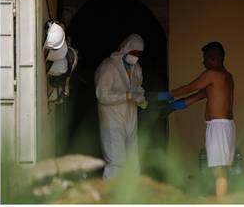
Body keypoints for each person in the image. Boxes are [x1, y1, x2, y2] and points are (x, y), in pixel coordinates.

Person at [161, 42, 235, 198]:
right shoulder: (226, 77)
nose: (203, 62)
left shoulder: (212, 74)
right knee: (221, 169)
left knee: (219, 170)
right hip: (224, 126)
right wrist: (173, 107)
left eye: (205, 58)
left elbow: (190, 87)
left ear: (213, 58)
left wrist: (165, 95)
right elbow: (197, 96)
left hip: (219, 127)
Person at [95, 33, 147, 179]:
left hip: (131, 118)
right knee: (116, 162)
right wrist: (127, 96)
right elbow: (102, 94)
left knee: (133, 161)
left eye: (139, 54)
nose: (136, 56)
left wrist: (140, 99)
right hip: (112, 119)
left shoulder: (137, 68)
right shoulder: (108, 66)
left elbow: (138, 89)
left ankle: (132, 198)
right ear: (125, 49)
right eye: (134, 53)